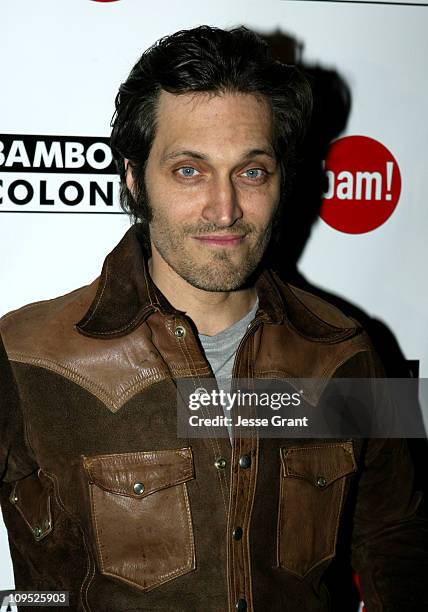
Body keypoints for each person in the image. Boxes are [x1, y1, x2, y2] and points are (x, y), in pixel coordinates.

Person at [0, 25, 427, 612]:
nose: (224, 208)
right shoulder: (21, 355)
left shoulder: (347, 352)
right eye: (189, 170)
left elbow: (397, 539)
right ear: (132, 176)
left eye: (251, 171)